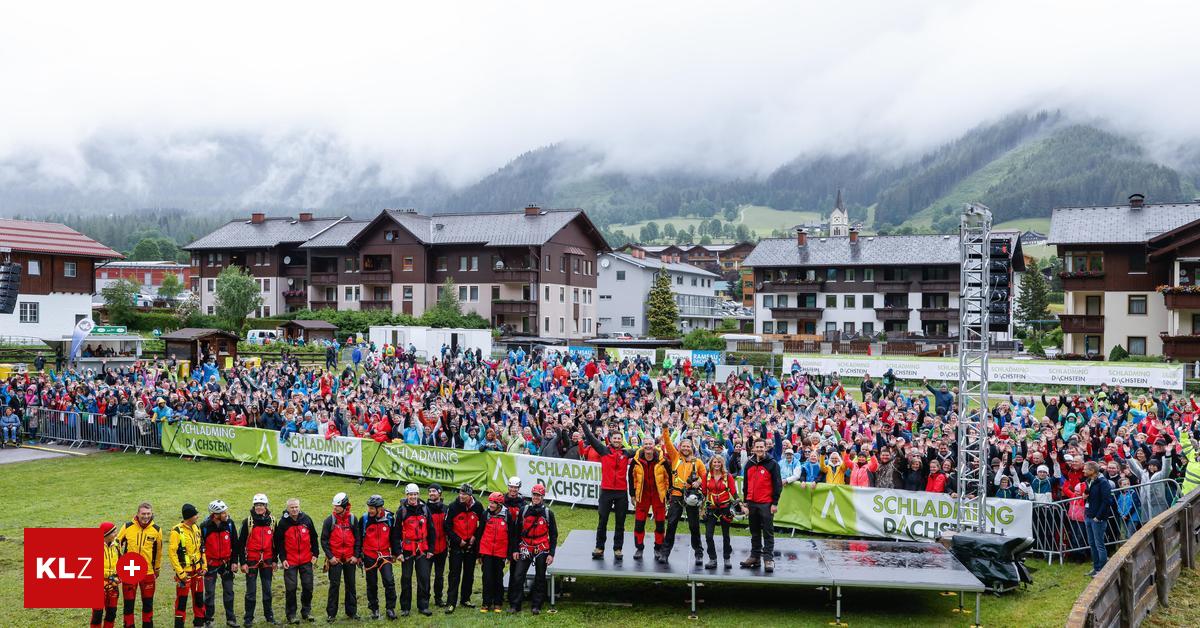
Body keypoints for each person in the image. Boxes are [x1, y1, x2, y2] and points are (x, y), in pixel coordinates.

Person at [580, 419, 637, 559]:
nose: (617, 440)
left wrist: (656, 445)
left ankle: (618, 549)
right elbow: (591, 438)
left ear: (622, 440)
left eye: (619, 438)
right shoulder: (604, 450)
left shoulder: (626, 453)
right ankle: (599, 547)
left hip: (621, 492)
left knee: (620, 522)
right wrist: (583, 424)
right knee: (602, 520)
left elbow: (643, 450)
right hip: (606, 491)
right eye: (615, 438)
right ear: (610, 439)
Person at [508, 483, 558, 615]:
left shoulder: (548, 514)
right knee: (518, 575)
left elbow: (553, 534)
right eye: (534, 495)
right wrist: (515, 550)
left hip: (542, 548)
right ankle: (515, 605)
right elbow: (516, 532)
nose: (536, 497)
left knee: (540, 577)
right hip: (525, 547)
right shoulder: (524, 511)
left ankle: (536, 605)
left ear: (543, 497)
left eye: (539, 495)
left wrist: (551, 554)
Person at [662, 430, 707, 566]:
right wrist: (665, 427)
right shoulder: (676, 457)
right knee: (671, 525)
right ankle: (665, 553)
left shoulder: (697, 462)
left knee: (694, 526)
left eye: (688, 446)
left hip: (691, 496)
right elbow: (668, 442)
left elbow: (705, 476)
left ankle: (698, 554)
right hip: (676, 496)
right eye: (683, 446)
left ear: (692, 448)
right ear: (680, 447)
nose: (686, 448)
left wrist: (699, 481)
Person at [392, 484, 436, 617]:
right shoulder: (402, 511)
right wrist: (398, 552)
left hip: (422, 549)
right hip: (407, 550)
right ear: (407, 495)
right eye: (410, 494)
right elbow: (395, 534)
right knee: (406, 578)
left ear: (418, 495)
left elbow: (432, 530)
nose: (413, 497)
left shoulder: (424, 509)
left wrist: (431, 549)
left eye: (415, 494)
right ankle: (405, 607)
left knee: (423, 577)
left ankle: (423, 606)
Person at [117, 502, 163, 628]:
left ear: (151, 514)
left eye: (148, 514)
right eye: (143, 514)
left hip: (148, 572)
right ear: (138, 514)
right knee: (128, 604)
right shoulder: (127, 527)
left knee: (148, 604)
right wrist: (120, 563)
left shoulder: (157, 530)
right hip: (129, 571)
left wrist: (157, 568)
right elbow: (117, 545)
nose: (146, 516)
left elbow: (159, 551)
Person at [275, 498, 319, 624]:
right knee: (291, 588)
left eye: (296, 507)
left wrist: (315, 554)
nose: (294, 509)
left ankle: (306, 612)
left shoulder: (307, 519)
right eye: (291, 507)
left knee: (308, 586)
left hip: (306, 559)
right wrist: (282, 559)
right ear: (287, 509)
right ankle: (291, 615)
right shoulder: (283, 523)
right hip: (290, 561)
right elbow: (279, 542)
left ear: (299, 507)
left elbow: (314, 538)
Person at [740, 439, 782, 573]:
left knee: (768, 532)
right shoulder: (749, 464)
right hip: (752, 502)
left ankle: (768, 558)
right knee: (754, 532)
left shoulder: (772, 464)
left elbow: (777, 484)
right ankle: (755, 557)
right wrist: (745, 501)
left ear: (765, 448)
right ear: (753, 448)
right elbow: (745, 484)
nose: (759, 449)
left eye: (761, 447)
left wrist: (775, 503)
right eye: (757, 447)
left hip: (766, 503)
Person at [628, 434, 669, 562]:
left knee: (660, 524)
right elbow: (631, 478)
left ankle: (658, 548)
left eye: (650, 444)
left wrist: (668, 495)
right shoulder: (636, 460)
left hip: (658, 495)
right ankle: (639, 548)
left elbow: (669, 478)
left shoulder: (663, 460)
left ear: (654, 445)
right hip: (642, 495)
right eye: (646, 444)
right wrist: (633, 495)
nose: (648, 446)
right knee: (639, 524)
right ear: (642, 446)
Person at [444, 484, 484, 614]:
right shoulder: (453, 506)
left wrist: (474, 537)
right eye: (460, 493)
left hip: (471, 547)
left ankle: (465, 599)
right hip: (457, 546)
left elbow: (482, 525)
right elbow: (447, 526)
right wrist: (458, 540)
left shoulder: (477, 506)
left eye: (464, 494)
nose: (461, 496)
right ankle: (451, 603)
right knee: (454, 575)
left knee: (469, 574)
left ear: (470, 495)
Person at [320, 492, 360, 622]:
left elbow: (358, 540)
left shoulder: (353, 519)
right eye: (334, 506)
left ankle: (352, 612)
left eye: (338, 506)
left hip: (350, 559)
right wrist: (330, 557)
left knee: (351, 585)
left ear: (344, 505)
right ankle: (331, 614)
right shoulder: (329, 520)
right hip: (335, 560)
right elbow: (324, 540)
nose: (335, 508)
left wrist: (355, 556)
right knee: (334, 586)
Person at [239, 493, 277, 626]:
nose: (259, 507)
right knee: (251, 592)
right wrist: (242, 563)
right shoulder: (248, 522)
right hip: (252, 561)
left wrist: (275, 560)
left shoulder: (272, 521)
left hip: (267, 561)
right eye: (257, 505)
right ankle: (248, 618)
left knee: (267, 590)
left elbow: (276, 543)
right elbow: (241, 543)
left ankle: (269, 616)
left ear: (266, 506)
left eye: (261, 505)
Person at [199, 500, 239, 627]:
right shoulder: (204, 527)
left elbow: (235, 544)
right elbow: (200, 547)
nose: (226, 514)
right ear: (215, 514)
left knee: (229, 591)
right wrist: (203, 565)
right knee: (210, 593)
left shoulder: (230, 524)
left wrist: (234, 561)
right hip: (210, 565)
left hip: (226, 564)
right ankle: (208, 620)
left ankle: (231, 619)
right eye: (223, 512)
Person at [359, 494, 397, 620]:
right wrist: (359, 555)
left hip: (385, 555)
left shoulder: (389, 518)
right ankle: (374, 609)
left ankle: (390, 609)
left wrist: (396, 553)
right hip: (369, 555)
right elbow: (359, 539)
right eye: (368, 507)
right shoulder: (364, 519)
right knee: (372, 584)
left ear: (380, 508)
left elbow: (394, 538)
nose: (369, 510)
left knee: (389, 581)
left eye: (372, 508)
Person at [169, 503, 207, 628]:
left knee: (199, 601)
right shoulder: (176, 531)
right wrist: (180, 573)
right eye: (195, 514)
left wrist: (204, 566)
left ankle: (199, 625)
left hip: (198, 572)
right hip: (185, 575)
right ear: (189, 517)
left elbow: (201, 549)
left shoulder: (196, 528)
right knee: (181, 603)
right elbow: (172, 553)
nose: (198, 516)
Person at [478, 492, 515, 614]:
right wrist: (479, 554)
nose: (491, 505)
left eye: (493, 503)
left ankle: (498, 602)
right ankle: (486, 603)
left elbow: (511, 536)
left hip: (500, 552)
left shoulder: (507, 516)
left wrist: (509, 554)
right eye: (490, 502)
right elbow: (480, 532)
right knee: (487, 577)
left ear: (499, 504)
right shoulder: (485, 514)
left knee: (498, 577)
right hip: (487, 551)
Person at [703, 455, 740, 570]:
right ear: (711, 463)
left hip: (725, 507)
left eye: (719, 462)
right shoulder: (707, 476)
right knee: (709, 535)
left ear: (722, 464)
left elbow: (733, 492)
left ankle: (726, 558)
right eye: (714, 462)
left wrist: (742, 506)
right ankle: (712, 559)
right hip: (712, 508)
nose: (716, 464)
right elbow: (704, 493)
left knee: (726, 535)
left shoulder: (727, 476)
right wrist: (701, 508)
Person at [1084, 461, 1114, 576]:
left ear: (1092, 471)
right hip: (1089, 515)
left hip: (1098, 519)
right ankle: (1096, 568)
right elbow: (1090, 498)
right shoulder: (1089, 481)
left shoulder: (1103, 482)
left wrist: (1098, 516)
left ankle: (1102, 570)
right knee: (1092, 543)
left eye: (1086, 469)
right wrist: (1085, 497)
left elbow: (1106, 501)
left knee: (1099, 544)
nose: (1084, 470)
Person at [91, 521, 121, 628]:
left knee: (112, 613)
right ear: (106, 535)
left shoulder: (117, 544)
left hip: (113, 583)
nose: (116, 533)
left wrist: (118, 577)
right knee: (97, 615)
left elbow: (120, 561)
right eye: (113, 532)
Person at [425, 484, 449, 607]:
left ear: (440, 493)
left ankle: (438, 598)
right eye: (430, 491)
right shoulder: (424, 508)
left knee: (439, 576)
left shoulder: (446, 508)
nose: (431, 493)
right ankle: (425, 599)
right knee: (426, 576)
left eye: (434, 491)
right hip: (428, 548)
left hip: (442, 548)